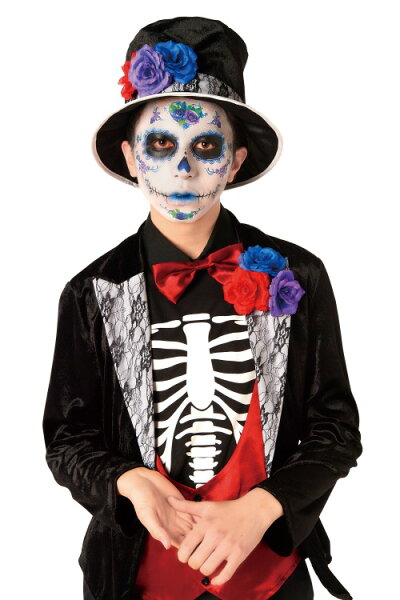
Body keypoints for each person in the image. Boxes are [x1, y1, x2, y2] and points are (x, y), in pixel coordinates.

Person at [42, 16, 362, 600]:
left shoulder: (297, 277)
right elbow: (67, 439)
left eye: (206, 147)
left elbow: (335, 430)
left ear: (235, 162)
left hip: (271, 577)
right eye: (161, 144)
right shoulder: (92, 291)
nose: (183, 169)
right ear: (131, 157)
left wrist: (264, 507)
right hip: (133, 580)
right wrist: (128, 481)